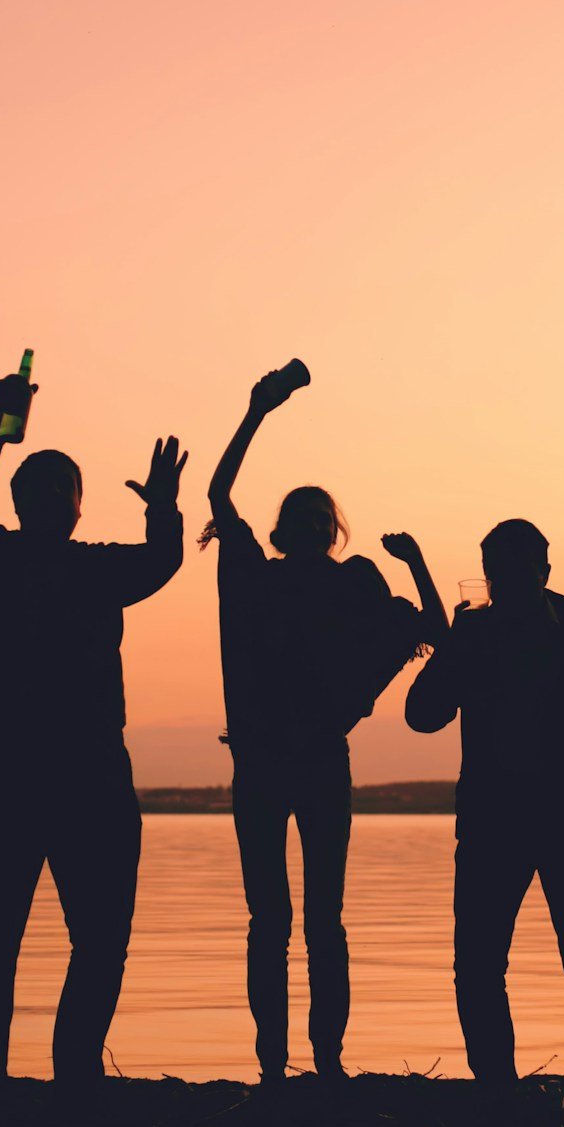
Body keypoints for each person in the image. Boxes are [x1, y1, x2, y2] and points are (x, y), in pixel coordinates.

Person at [0, 372, 186, 1086]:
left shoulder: (86, 568)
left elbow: (163, 559)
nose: (52, 499)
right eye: (39, 488)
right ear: (21, 505)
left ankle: (70, 1068)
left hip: (82, 778)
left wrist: (165, 509)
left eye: (62, 489)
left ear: (77, 508)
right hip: (17, 775)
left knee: (95, 937)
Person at [203, 363, 444, 1082]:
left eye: (320, 517)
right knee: (268, 923)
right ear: (280, 531)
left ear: (333, 532)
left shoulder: (355, 584)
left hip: (319, 761)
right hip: (259, 763)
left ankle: (327, 1061)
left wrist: (418, 559)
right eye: (299, 517)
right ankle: (272, 1064)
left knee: (323, 923)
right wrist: (255, 412)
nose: (309, 525)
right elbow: (218, 494)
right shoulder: (254, 576)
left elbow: (431, 625)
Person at [404, 519, 564, 1087]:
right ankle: (500, 1087)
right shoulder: (482, 635)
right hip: (501, 822)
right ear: (490, 576)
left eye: (515, 571)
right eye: (499, 572)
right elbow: (423, 715)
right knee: (492, 967)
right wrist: (452, 651)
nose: (506, 582)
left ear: (542, 572)